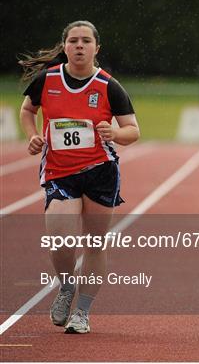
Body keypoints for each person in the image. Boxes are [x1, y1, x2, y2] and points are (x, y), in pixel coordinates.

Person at [19, 20, 140, 334]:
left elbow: (133, 131)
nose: (80, 46)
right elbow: (27, 110)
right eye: (73, 41)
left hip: (100, 172)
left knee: (94, 244)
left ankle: (82, 313)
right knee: (60, 240)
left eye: (86, 41)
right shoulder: (46, 81)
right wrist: (32, 135)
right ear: (65, 46)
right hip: (60, 172)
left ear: (96, 48)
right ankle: (66, 286)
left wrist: (115, 132)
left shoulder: (109, 86)